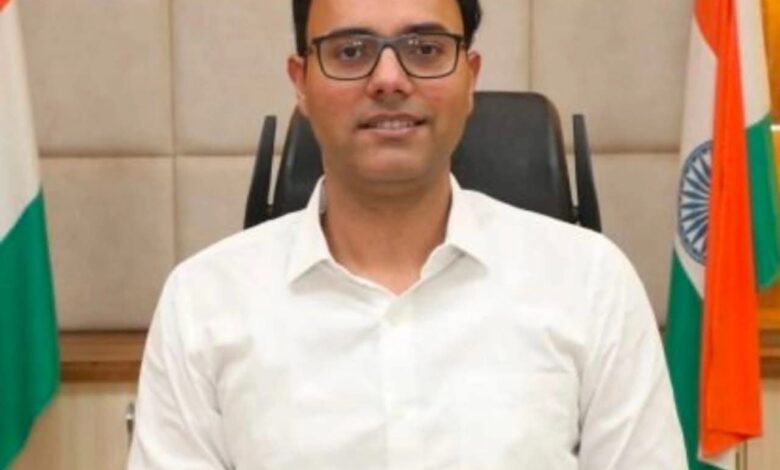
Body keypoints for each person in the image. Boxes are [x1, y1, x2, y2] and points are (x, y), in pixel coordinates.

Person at [128, 0, 687, 468]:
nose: (389, 80)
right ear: (301, 83)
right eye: (350, 51)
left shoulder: (589, 283)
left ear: (470, 77)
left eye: (425, 49)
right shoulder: (203, 302)